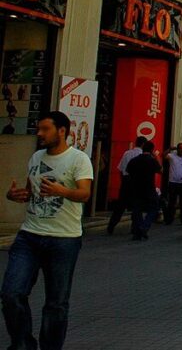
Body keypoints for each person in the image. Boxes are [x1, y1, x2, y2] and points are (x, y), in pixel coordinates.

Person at [1, 111, 93, 350]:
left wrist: (61, 191)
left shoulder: (78, 159)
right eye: (38, 129)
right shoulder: (36, 157)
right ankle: (22, 344)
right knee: (11, 293)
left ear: (61, 131)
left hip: (63, 240)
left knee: (56, 303)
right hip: (29, 236)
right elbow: (33, 191)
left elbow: (84, 193)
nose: (39, 134)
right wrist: (17, 195)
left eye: (45, 129)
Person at [106, 135, 146, 235]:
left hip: (125, 180)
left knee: (121, 205)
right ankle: (135, 227)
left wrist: (123, 180)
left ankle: (112, 225)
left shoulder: (127, 153)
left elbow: (121, 168)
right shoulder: (142, 155)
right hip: (136, 181)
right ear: (143, 144)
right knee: (137, 205)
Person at [126, 141, 161, 240]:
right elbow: (161, 170)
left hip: (136, 188)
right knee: (153, 208)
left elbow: (127, 172)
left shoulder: (134, 160)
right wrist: (156, 158)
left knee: (137, 210)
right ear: (152, 150)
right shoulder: (151, 160)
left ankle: (139, 230)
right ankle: (144, 226)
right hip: (149, 188)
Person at [163, 142, 182, 225]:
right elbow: (163, 155)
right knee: (172, 202)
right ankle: (169, 219)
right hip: (173, 183)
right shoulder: (172, 156)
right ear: (177, 149)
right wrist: (170, 149)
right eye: (181, 148)